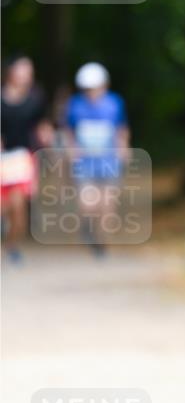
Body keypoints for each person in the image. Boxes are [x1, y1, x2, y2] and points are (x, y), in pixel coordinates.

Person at [64, 62, 130, 257]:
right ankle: (88, 227)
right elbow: (69, 130)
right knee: (88, 203)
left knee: (107, 204)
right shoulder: (75, 105)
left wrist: (124, 148)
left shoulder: (115, 103)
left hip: (108, 160)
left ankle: (101, 241)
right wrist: (71, 150)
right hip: (85, 162)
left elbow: (122, 128)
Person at [1, 55, 53, 262]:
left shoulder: (35, 98)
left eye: (29, 72)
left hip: (23, 158)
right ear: (10, 72)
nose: (26, 76)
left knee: (19, 206)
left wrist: (45, 133)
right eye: (22, 71)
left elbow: (43, 124)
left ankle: (11, 244)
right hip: (2, 158)